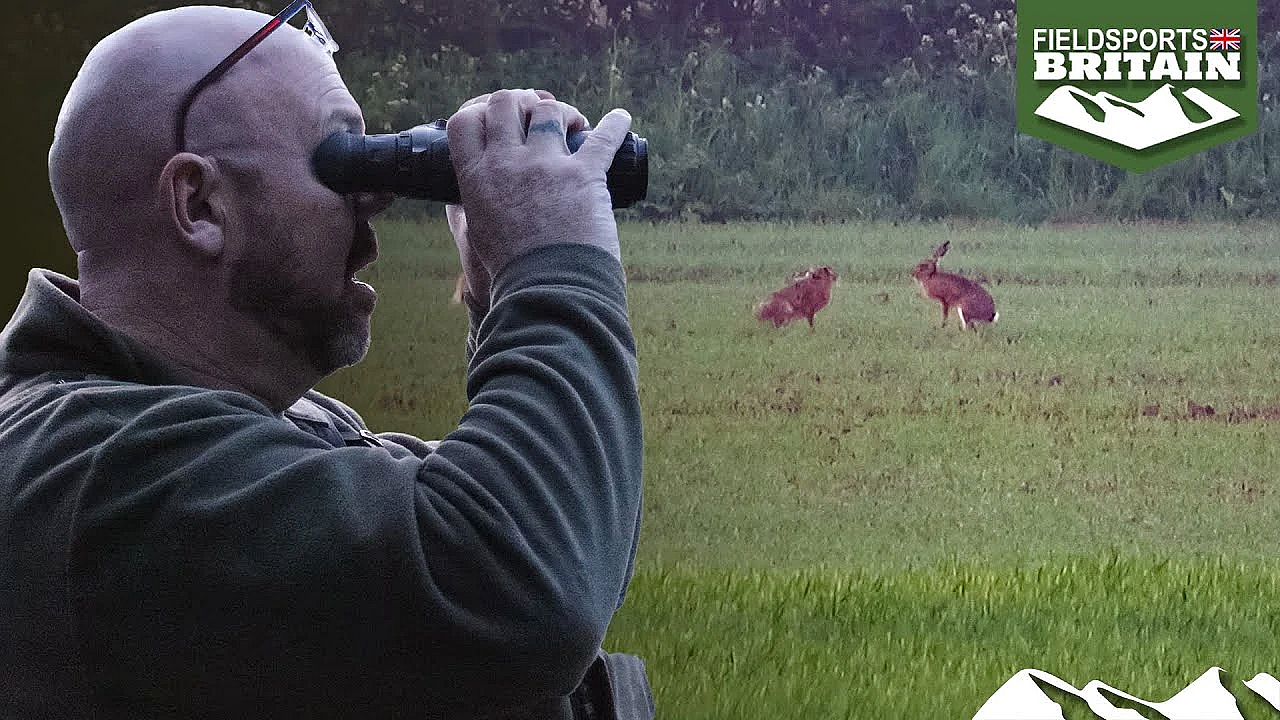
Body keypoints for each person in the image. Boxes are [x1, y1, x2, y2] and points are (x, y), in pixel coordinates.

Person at [0, 5, 651, 719]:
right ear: (201, 205)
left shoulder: (275, 423)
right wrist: (554, 263)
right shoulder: (104, 473)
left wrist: (500, 289)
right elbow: (525, 588)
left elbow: (574, 542)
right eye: (343, 160)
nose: (377, 196)